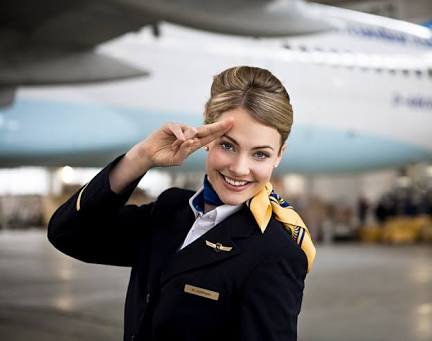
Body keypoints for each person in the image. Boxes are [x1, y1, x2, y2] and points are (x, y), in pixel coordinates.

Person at [48, 66, 316, 341]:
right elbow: (68, 234)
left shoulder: (275, 253)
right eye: (227, 146)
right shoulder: (169, 211)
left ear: (279, 155)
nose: (239, 168)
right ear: (207, 139)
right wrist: (141, 157)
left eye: (260, 154)